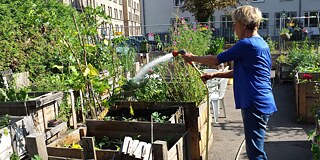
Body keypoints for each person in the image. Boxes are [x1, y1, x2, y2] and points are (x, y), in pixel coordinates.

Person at [182, 5, 277, 160]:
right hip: (261, 101)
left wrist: (192, 57)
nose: (233, 27)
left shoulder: (247, 44)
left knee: (255, 152)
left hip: (255, 102)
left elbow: (215, 59)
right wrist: (215, 75)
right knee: (254, 148)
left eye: (235, 24)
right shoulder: (261, 44)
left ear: (244, 25)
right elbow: (242, 72)